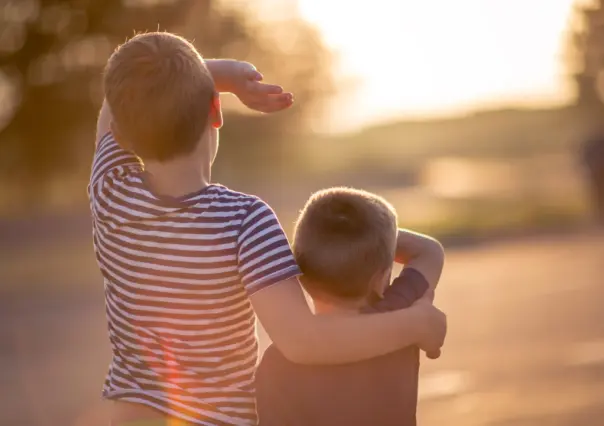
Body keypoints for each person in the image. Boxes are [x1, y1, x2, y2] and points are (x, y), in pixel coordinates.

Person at [89, 32, 446, 426]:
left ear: (122, 134)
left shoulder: (110, 192)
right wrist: (415, 323)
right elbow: (303, 342)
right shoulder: (243, 220)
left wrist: (216, 76)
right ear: (215, 111)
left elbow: (112, 107)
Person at [255, 187, 445, 426]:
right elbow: (429, 251)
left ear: (300, 274)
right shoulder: (399, 318)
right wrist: (377, 242)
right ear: (380, 278)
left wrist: (323, 245)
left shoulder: (280, 361)